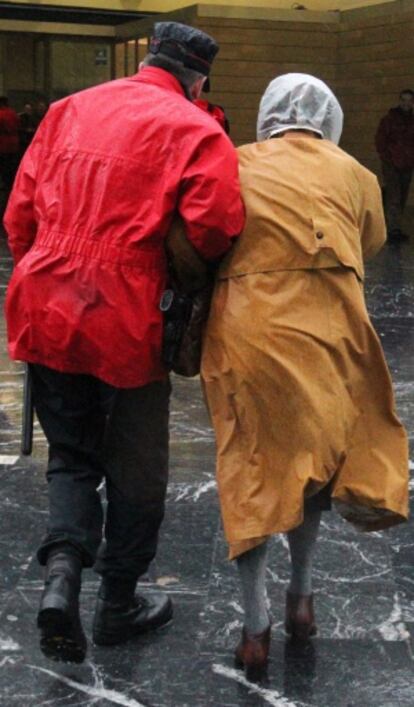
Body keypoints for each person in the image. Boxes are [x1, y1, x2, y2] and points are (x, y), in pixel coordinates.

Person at [3, 21, 244, 664]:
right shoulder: (197, 128)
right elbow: (215, 228)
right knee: (137, 469)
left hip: (46, 302)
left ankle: (61, 575)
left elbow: (19, 215)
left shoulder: (67, 109)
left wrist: (47, 279)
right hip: (129, 316)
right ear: (198, 79)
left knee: (71, 456)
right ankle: (116, 604)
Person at [201, 73, 409, 682]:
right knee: (318, 453)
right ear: (329, 117)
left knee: (252, 462)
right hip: (334, 331)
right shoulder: (358, 175)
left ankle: (255, 622)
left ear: (268, 114)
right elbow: (369, 242)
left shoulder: (234, 164)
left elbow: (209, 234)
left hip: (251, 329)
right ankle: (304, 595)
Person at [375, 89, 414, 241]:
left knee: (402, 196)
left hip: (407, 164)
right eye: (403, 100)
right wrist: (387, 158)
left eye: (409, 100)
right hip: (392, 163)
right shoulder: (389, 120)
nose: (406, 103)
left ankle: (395, 227)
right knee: (394, 197)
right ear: (399, 101)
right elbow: (380, 139)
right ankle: (392, 230)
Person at [0, 96, 19, 197]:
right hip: (14, 143)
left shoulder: (1, 114)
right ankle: (11, 184)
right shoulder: (13, 113)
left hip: (3, 144)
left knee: (3, 165)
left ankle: (5, 183)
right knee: (11, 165)